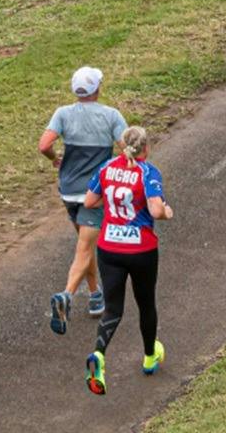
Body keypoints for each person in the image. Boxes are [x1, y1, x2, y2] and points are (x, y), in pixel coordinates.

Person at [83, 126, 172, 395]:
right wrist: (167, 211)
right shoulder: (147, 172)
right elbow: (156, 210)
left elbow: (89, 201)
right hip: (141, 250)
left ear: (122, 146)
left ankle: (98, 355)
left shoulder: (107, 167)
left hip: (109, 247)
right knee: (146, 304)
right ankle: (148, 357)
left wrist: (112, 208)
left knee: (113, 309)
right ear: (145, 148)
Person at [40, 68, 127, 335]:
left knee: (85, 244)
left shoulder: (63, 113)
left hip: (68, 191)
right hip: (94, 194)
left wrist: (55, 158)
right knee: (85, 248)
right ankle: (67, 295)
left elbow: (44, 145)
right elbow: (128, 147)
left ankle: (95, 294)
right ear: (97, 89)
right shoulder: (111, 115)